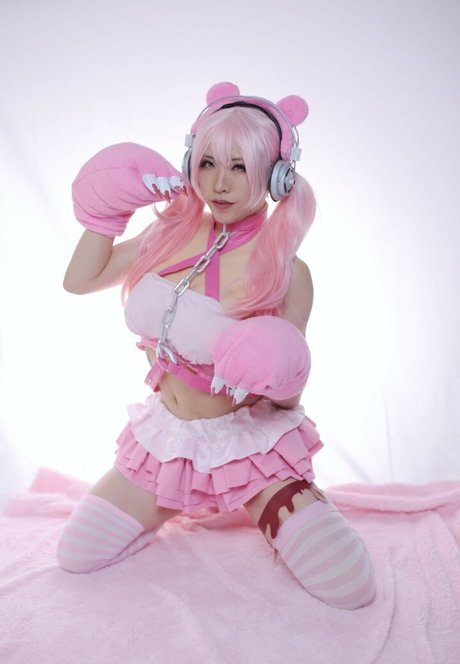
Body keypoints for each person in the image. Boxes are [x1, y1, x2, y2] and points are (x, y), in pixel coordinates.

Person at [57, 82, 376, 610]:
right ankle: (178, 499)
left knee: (349, 586)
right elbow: (79, 281)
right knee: (77, 553)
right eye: (207, 163)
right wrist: (101, 217)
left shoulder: (287, 271)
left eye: (239, 167)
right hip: (168, 444)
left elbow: (287, 399)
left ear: (275, 176)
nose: (219, 183)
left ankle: (264, 503)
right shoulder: (167, 234)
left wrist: (275, 361)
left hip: (249, 448)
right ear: (190, 162)